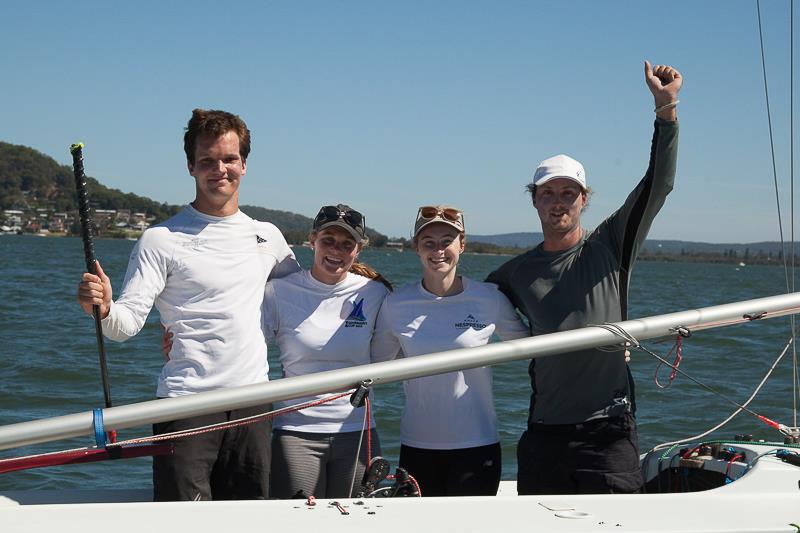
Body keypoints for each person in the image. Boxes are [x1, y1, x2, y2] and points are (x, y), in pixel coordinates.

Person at [76, 108, 300, 501]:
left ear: (244, 164)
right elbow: (124, 326)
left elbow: (305, 299)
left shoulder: (268, 237)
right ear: (191, 167)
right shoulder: (161, 239)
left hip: (253, 403)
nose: (220, 170)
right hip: (187, 404)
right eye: (207, 161)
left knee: (250, 523)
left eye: (229, 159)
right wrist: (105, 309)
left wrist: (363, 280)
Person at [486, 61, 682, 495]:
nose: (559, 203)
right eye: (548, 194)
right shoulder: (513, 273)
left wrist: (665, 111)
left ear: (584, 200)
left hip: (607, 430)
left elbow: (658, 185)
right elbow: (466, 306)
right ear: (534, 200)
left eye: (568, 193)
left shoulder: (610, 245)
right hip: (543, 429)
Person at [371, 205, 528, 496]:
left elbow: (532, 348)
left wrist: (600, 348)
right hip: (417, 444)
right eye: (429, 243)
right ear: (416, 247)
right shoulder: (396, 304)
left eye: (447, 241)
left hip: (477, 444)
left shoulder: (489, 299)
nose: (438, 250)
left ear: (462, 245)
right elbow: (374, 365)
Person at [265, 204, 393, 499]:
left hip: (358, 431)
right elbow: (245, 344)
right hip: (296, 431)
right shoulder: (278, 292)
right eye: (328, 241)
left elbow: (394, 350)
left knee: (357, 522)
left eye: (347, 244)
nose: (336, 250)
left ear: (358, 250)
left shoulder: (374, 294)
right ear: (312, 240)